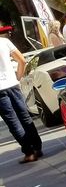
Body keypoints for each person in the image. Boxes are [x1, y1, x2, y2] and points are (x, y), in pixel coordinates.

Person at [0, 25, 43, 163]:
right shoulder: (4, 42)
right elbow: (22, 60)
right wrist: (17, 77)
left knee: (13, 122)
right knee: (24, 116)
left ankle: (29, 152)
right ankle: (37, 147)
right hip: (12, 84)